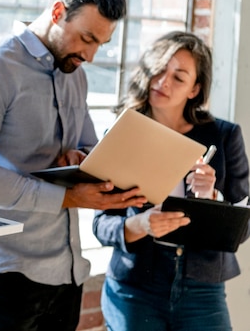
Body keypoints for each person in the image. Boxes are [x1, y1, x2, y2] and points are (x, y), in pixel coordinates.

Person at [0, 0, 148, 331]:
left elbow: (86, 148)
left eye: (100, 43)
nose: (91, 55)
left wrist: (81, 160)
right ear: (57, 12)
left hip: (65, 271)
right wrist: (67, 198)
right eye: (86, 37)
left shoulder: (76, 76)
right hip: (2, 272)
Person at [93, 31, 250, 331]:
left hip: (202, 288)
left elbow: (243, 228)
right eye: (159, 70)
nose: (163, 82)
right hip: (135, 287)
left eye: (178, 77)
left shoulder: (224, 136)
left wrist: (212, 197)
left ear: (195, 89)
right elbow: (101, 225)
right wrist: (139, 225)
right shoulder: (122, 134)